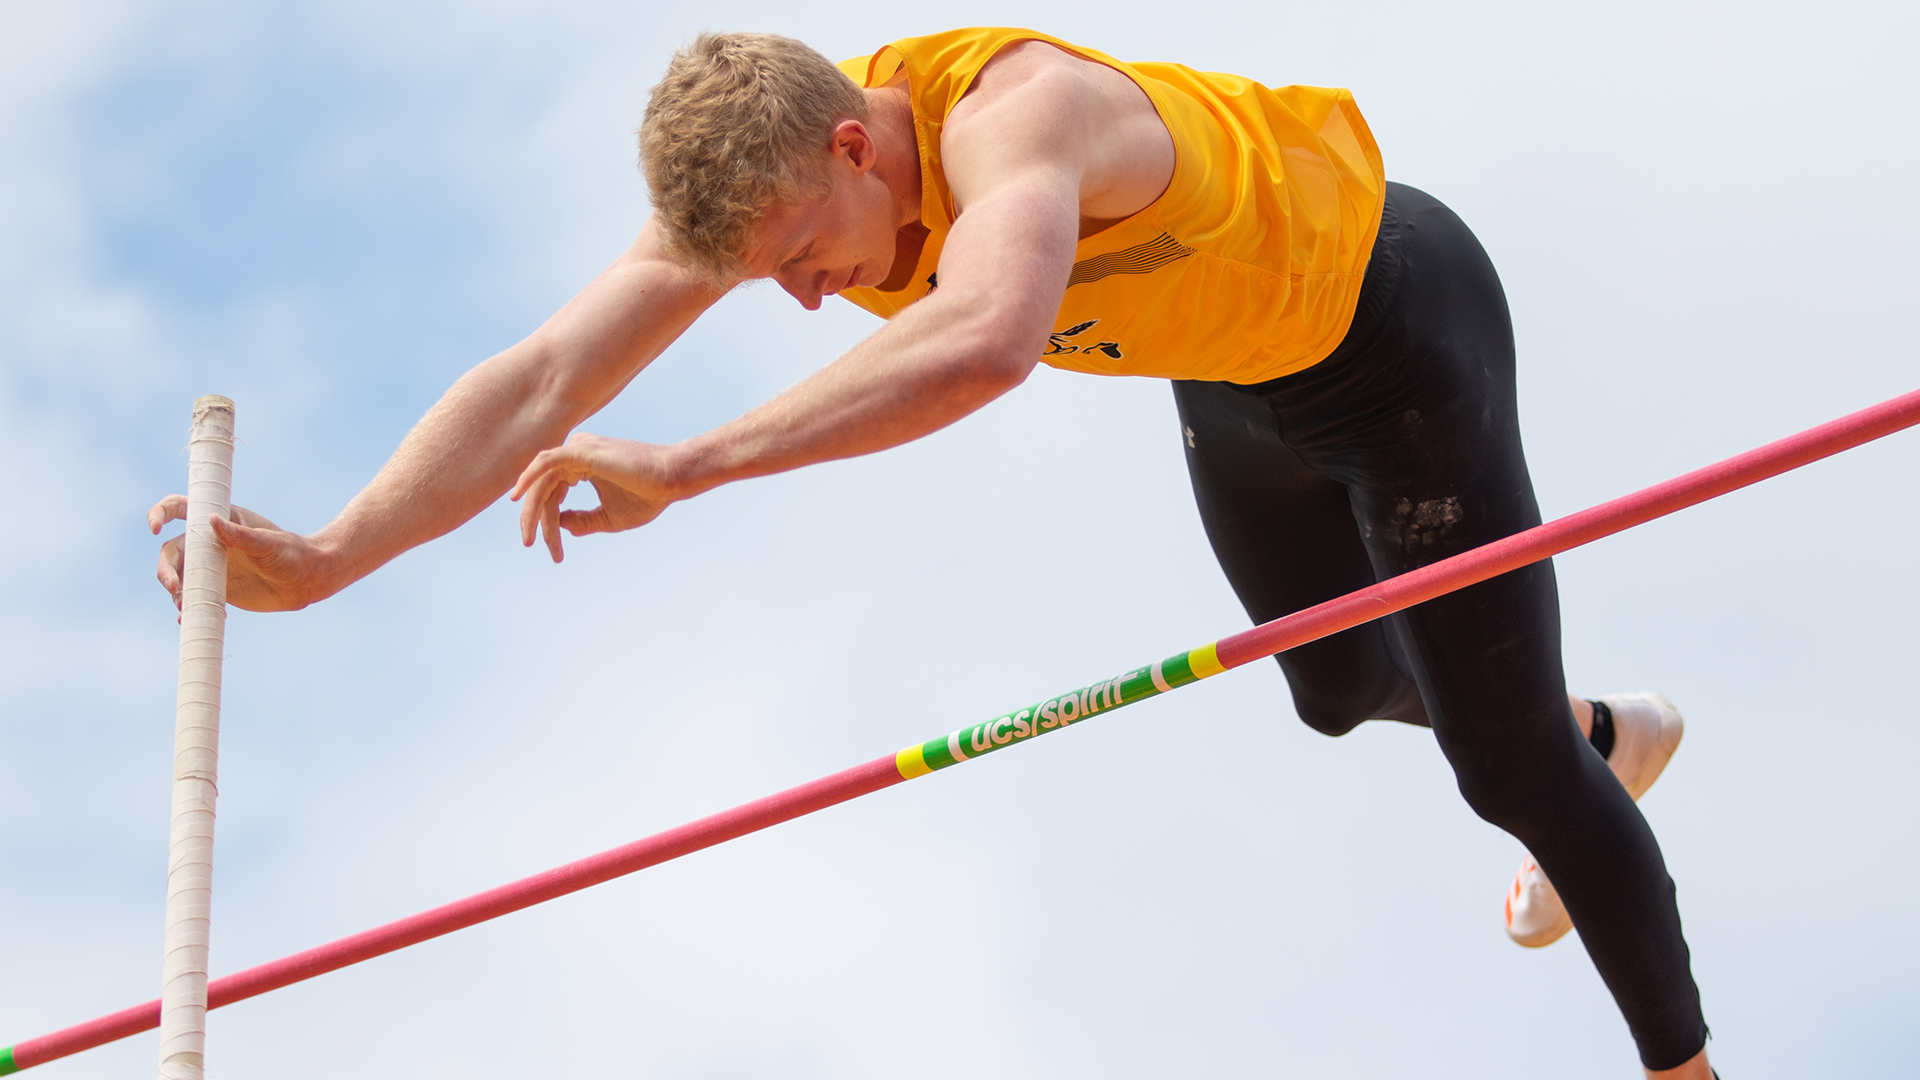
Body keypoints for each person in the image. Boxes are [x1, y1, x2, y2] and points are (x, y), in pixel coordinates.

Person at [149, 28, 1714, 1076]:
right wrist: (339, 553)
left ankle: (1685, 1051)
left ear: (856, 146)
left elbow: (980, 343)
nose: (809, 297)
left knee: (1504, 775)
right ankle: (1597, 736)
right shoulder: (783, 183)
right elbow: (549, 375)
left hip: (1394, 337)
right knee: (1331, 692)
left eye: (800, 260)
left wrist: (690, 464)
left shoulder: (1019, 119)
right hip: (1238, 379)